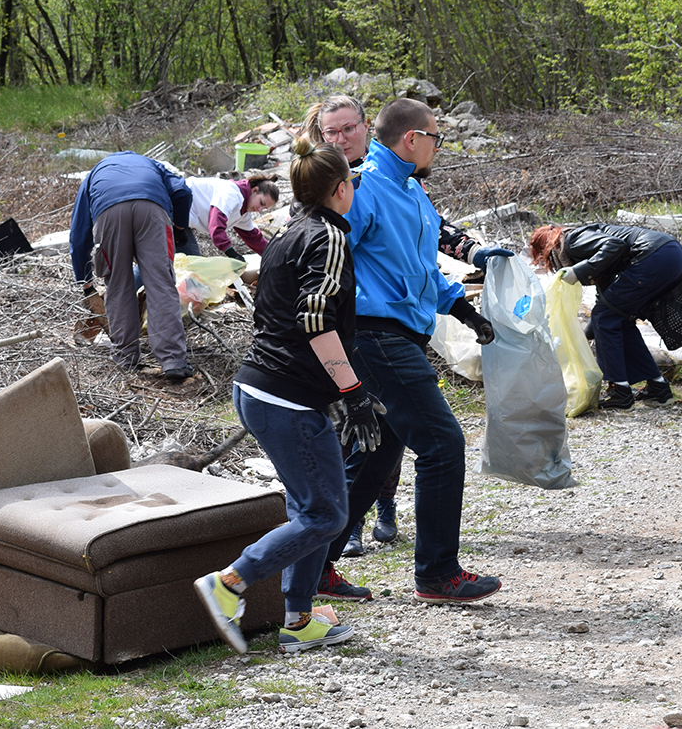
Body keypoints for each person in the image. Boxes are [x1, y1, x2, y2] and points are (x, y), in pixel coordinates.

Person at [317, 98, 506, 605]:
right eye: (435, 137)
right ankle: (438, 573)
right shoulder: (366, 188)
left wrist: (462, 309)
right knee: (442, 445)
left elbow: (417, 268)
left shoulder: (413, 192)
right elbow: (326, 253)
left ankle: (316, 563)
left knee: (377, 454)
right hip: (375, 338)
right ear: (411, 139)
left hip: (401, 336)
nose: (438, 146)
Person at [194, 137, 365, 654]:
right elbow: (315, 320)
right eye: (351, 183)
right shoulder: (329, 237)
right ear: (340, 189)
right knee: (326, 516)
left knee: (308, 508)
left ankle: (299, 619)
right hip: (285, 396)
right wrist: (352, 390)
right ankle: (229, 584)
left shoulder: (288, 234)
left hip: (259, 386)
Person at [528, 224, 682, 409]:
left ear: (547, 248)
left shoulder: (572, 240)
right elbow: (606, 297)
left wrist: (579, 271)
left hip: (655, 255)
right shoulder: (591, 249)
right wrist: (587, 334)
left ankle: (618, 391)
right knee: (618, 317)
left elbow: (614, 245)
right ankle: (658, 387)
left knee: (605, 317)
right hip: (671, 254)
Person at [69, 151, 195, 380]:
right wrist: (180, 226)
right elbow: (182, 191)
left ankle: (125, 359)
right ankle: (172, 361)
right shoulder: (152, 164)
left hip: (109, 215)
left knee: (118, 286)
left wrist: (85, 280)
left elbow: (78, 236)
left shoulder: (93, 174)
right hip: (152, 211)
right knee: (160, 284)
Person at [181, 175, 277, 260]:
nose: (260, 210)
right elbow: (216, 222)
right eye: (261, 203)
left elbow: (253, 237)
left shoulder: (244, 211)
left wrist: (274, 254)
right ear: (254, 190)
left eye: (264, 208)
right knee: (184, 265)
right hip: (175, 204)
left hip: (182, 219)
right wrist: (229, 250)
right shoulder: (232, 194)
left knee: (191, 263)